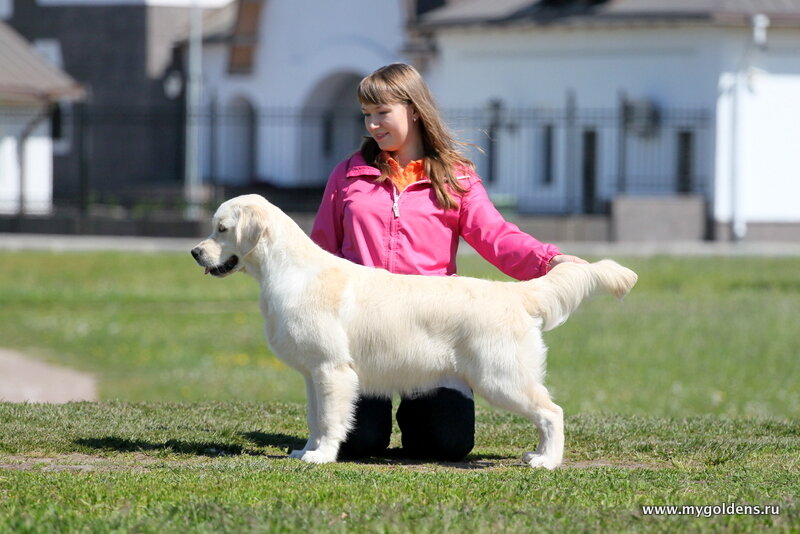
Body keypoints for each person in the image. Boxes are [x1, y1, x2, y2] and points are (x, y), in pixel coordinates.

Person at [310, 63, 587, 462]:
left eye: (382, 113)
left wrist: (551, 260)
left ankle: (421, 413)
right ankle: (373, 421)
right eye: (366, 115)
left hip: (436, 331)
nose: (372, 125)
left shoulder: (457, 177)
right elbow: (322, 251)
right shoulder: (348, 175)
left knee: (445, 445)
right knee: (357, 444)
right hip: (364, 335)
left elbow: (496, 236)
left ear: (415, 110)